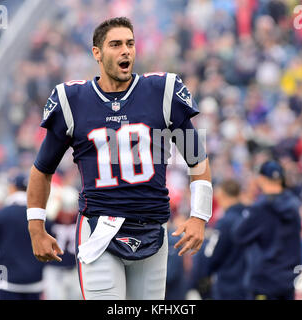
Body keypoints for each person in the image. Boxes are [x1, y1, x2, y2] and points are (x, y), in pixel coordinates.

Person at [26, 16, 212, 300]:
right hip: (99, 229)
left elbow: (197, 158)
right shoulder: (73, 100)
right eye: (115, 44)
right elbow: (42, 170)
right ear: (97, 53)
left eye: (130, 43)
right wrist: (35, 226)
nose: (126, 50)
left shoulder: (162, 92)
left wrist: (199, 216)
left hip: (153, 226)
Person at [233, 160, 302, 300]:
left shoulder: (260, 208)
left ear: (262, 179)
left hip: (264, 281)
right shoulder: (294, 205)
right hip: (288, 279)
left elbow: (238, 235)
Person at [0, 173, 47, 300]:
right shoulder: (43, 216)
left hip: (6, 279)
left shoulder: (1, 214)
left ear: (12, 188)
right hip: (35, 279)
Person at [203, 179, 249, 300]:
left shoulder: (226, 221)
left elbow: (213, 254)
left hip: (228, 284)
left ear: (222, 195)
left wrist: (206, 274)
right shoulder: (250, 217)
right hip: (249, 282)